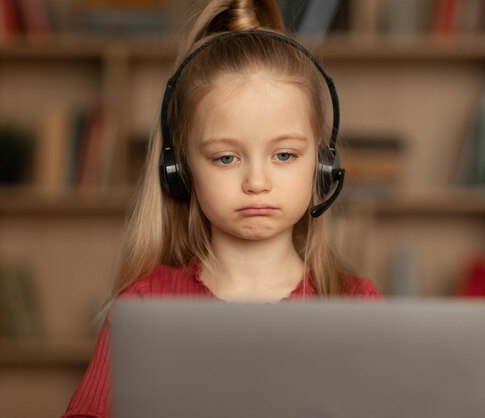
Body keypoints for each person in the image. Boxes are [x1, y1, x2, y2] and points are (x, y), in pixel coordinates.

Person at [62, 0, 381, 417]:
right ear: (181, 170)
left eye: (284, 155)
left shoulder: (356, 306)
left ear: (322, 166)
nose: (256, 182)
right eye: (226, 158)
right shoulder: (145, 307)